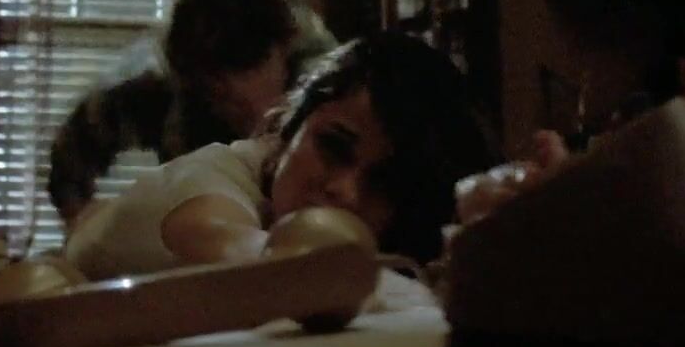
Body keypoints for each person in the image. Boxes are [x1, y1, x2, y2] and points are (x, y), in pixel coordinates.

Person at [64, 29, 498, 281]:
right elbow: (211, 237)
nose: (344, 190)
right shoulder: (218, 172)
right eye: (333, 147)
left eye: (384, 184)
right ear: (286, 131)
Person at [47, 0, 337, 228]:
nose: (249, 106)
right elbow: (72, 151)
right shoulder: (161, 98)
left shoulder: (328, 96)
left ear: (284, 49)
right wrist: (84, 226)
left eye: (251, 67)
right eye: (225, 99)